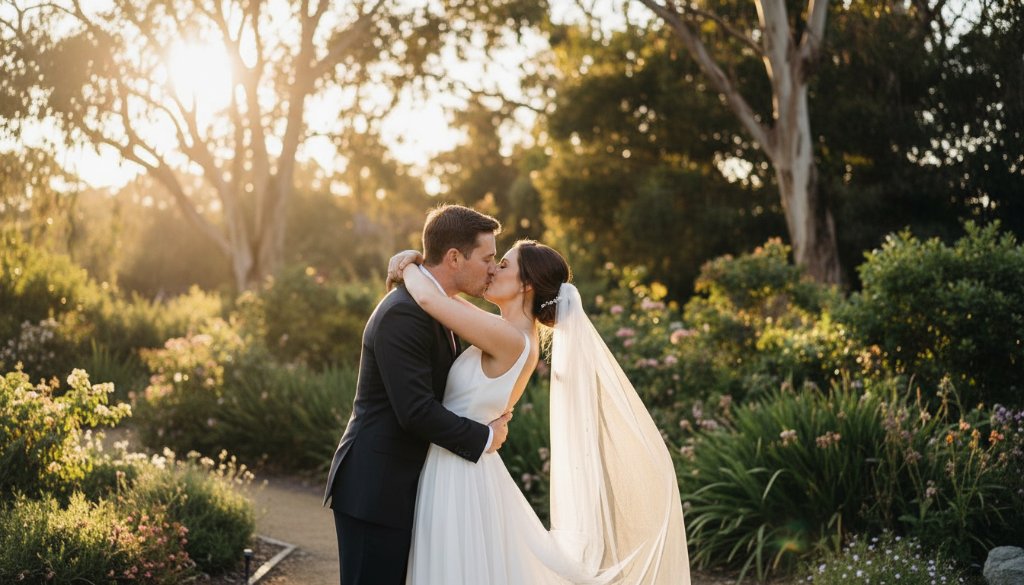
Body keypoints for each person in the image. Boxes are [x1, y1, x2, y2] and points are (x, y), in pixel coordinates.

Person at [388, 239, 691, 585]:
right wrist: (421, 269)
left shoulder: (511, 339)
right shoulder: (509, 332)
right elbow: (444, 299)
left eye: (503, 264)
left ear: (526, 284)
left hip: (458, 471)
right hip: (463, 463)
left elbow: (429, 299)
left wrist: (406, 266)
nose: (492, 269)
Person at [323, 204, 515, 585]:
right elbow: (414, 410)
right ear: (455, 258)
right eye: (488, 258)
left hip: (404, 487)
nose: (493, 268)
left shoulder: (438, 308)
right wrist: (486, 436)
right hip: (375, 489)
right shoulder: (404, 313)